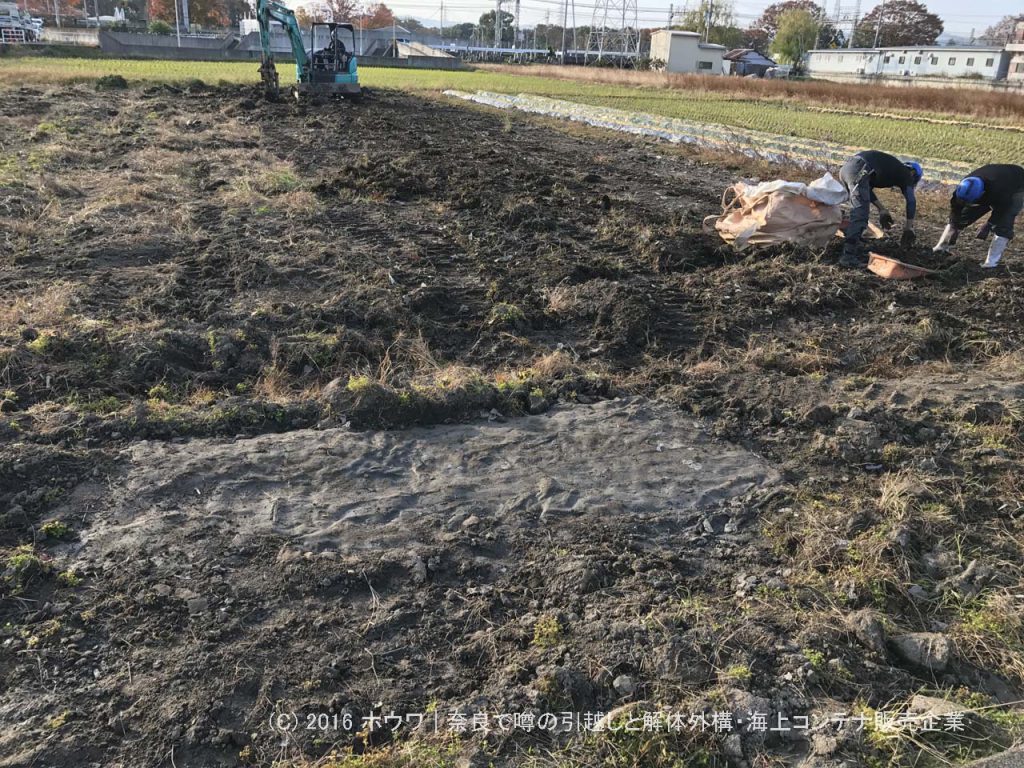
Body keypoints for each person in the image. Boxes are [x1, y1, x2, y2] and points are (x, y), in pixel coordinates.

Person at [839, 150, 923, 268]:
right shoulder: (906, 174)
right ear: (914, 174)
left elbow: (866, 188)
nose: (911, 184)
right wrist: (909, 228)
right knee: (860, 216)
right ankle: (848, 257)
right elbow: (911, 201)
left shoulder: (892, 169)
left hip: (848, 169)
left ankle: (853, 240)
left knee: (857, 210)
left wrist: (882, 209)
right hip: (860, 170)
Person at [933, 164, 1024, 269]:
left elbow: (1002, 208)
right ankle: (940, 248)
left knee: (1004, 223)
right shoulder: (965, 186)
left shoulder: (999, 190)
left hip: (1016, 185)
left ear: (982, 193)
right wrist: (954, 227)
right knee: (963, 217)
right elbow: (956, 208)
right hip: (995, 181)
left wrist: (989, 224)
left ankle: (990, 264)